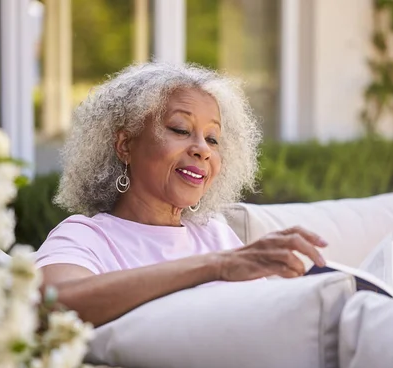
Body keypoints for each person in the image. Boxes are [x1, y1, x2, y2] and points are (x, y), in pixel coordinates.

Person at [36, 63, 328, 327]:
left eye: (213, 138)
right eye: (180, 129)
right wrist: (216, 266)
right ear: (125, 145)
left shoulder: (215, 235)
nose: (202, 148)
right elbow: (51, 306)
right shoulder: (86, 236)